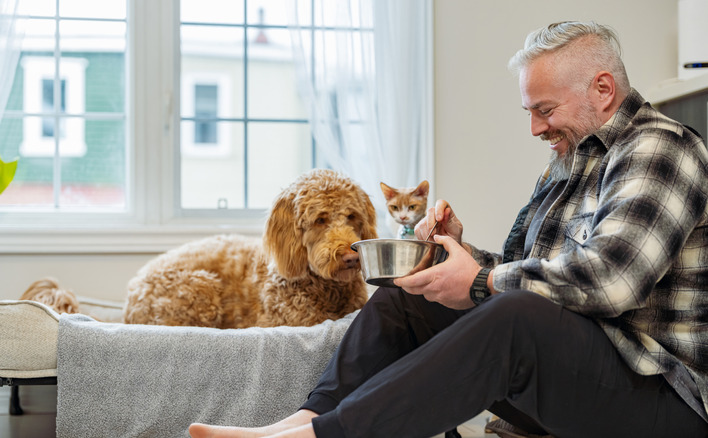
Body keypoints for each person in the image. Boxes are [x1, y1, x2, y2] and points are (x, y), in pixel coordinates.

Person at [188, 21, 708, 438]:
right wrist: (456, 254)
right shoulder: (569, 162)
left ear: (602, 89)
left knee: (513, 315)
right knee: (409, 292)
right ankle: (302, 421)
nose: (535, 128)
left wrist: (479, 280)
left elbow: (610, 282)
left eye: (544, 110)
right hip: (584, 370)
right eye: (530, 112)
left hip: (657, 390)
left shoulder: (659, 148)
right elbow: (531, 274)